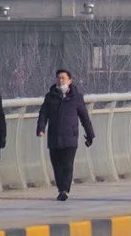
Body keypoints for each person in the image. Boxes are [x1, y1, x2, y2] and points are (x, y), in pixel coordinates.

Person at [35, 68, 94, 201]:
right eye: (58, 78)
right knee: (56, 165)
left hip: (70, 136)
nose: (60, 80)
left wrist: (90, 135)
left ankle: (64, 189)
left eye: (63, 78)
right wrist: (41, 128)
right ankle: (60, 187)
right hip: (54, 136)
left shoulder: (76, 98)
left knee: (67, 164)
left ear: (69, 80)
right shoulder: (50, 97)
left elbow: (84, 117)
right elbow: (43, 114)